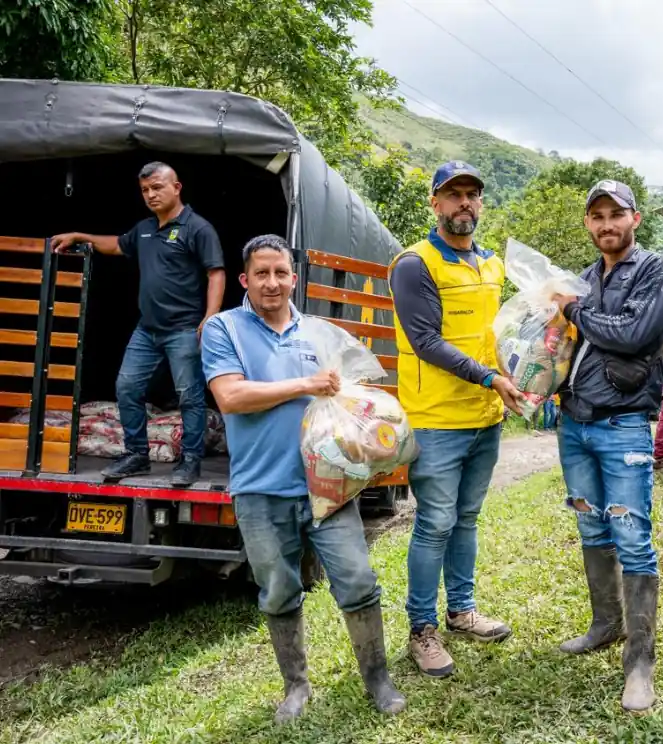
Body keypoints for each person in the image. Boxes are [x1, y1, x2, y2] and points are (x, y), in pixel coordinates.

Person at [201, 235, 404, 721]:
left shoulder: (320, 334)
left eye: (281, 273)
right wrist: (306, 385)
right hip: (259, 489)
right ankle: (296, 687)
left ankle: (378, 679)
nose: (272, 283)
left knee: (357, 580)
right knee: (277, 590)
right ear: (245, 279)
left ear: (294, 278)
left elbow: (350, 396)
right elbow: (231, 397)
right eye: (261, 274)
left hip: (328, 488)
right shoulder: (223, 329)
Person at [387, 161, 525, 678]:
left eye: (472, 194)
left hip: (484, 416)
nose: (464, 202)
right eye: (453, 194)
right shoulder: (414, 264)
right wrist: (490, 379)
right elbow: (425, 341)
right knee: (435, 523)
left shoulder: (491, 264)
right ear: (435, 203)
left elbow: (497, 336)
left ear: (481, 203)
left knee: (466, 518)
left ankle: (462, 611)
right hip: (436, 419)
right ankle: (422, 630)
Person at [552, 179, 663, 713]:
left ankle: (640, 662)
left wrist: (574, 312)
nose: (607, 224)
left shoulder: (656, 270)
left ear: (635, 218)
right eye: (597, 216)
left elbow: (632, 335)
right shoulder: (582, 279)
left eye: (616, 214)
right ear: (588, 223)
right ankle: (606, 624)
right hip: (574, 425)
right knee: (591, 526)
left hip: (624, 426)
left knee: (631, 536)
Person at [52, 162, 225, 485]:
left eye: (157, 187)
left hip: (184, 328)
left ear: (177, 187)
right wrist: (80, 235)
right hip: (147, 330)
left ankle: (190, 461)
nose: (150, 195)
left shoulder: (198, 228)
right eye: (145, 190)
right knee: (127, 388)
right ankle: (137, 455)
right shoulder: (145, 229)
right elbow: (117, 244)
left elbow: (215, 272)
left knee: (189, 396)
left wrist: (210, 317)